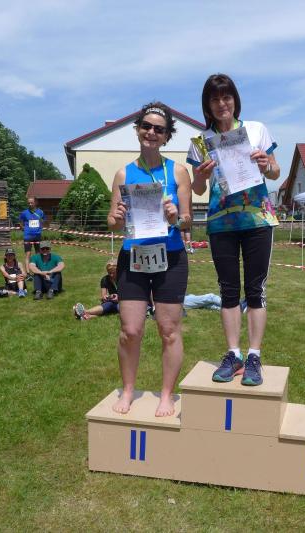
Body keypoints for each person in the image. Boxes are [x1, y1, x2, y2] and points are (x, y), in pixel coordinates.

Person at [188, 74, 279, 387]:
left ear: (235, 100)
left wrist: (267, 164)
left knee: (255, 290)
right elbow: (198, 188)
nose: (221, 104)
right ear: (207, 105)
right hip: (221, 222)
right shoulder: (200, 142)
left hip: (257, 220)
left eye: (226, 97)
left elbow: (276, 171)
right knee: (227, 290)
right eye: (214, 99)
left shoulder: (256, 129)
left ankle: (254, 356)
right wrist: (201, 176)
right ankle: (233, 354)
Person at [108, 101, 191, 416]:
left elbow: (187, 221)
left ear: (167, 136)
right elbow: (112, 222)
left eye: (159, 129)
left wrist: (175, 216)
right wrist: (117, 217)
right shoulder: (123, 173)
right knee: (130, 330)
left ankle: (166, 394)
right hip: (134, 257)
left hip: (170, 257)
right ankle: (128, 390)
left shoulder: (178, 171)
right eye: (146, 126)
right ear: (137, 130)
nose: (151, 133)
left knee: (168, 330)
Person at [19, 197, 45, 273]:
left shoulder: (40, 212)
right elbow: (20, 221)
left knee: (38, 254)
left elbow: (43, 220)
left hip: (38, 236)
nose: (30, 204)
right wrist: (22, 227)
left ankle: (38, 270)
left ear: (35, 203)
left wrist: (40, 227)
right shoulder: (24, 212)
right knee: (28, 254)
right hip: (28, 236)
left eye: (31, 203)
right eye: (29, 203)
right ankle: (28, 273)